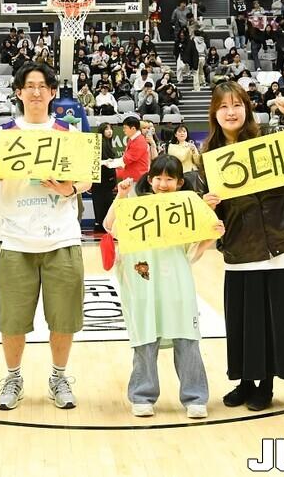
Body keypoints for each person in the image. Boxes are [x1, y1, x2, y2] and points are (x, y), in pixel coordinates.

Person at [0, 62, 91, 411]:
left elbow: (86, 179)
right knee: (12, 320)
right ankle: (13, 377)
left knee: (64, 318)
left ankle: (59, 377)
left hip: (62, 238)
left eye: (43, 86)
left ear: (53, 92)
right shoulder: (2, 135)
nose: (37, 91)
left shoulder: (69, 132)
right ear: (19, 92)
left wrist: (70, 188)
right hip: (16, 240)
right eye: (30, 86)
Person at [201, 81, 284, 412]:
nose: (231, 112)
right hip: (241, 247)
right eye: (223, 106)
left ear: (247, 108)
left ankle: (266, 384)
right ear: (214, 113)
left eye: (237, 104)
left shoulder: (270, 136)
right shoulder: (209, 155)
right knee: (244, 321)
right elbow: (207, 210)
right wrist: (206, 205)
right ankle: (246, 381)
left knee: (276, 319)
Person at [103, 155, 224, 419]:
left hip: (176, 282)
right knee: (145, 339)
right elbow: (110, 226)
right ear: (149, 180)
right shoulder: (136, 205)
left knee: (187, 339)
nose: (163, 183)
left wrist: (212, 229)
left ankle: (195, 397)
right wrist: (120, 195)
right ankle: (142, 395)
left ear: (180, 182)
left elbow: (195, 248)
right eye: (158, 178)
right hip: (143, 283)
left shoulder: (187, 209)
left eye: (170, 179)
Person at [91, 123, 118, 233]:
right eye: (107, 129)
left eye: (111, 129)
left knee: (105, 201)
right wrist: (105, 163)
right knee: (102, 202)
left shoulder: (108, 143)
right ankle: (101, 224)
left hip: (106, 179)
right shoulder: (100, 143)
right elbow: (95, 160)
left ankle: (102, 224)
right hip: (101, 179)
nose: (109, 131)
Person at [113, 116, 150, 182]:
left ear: (133, 128)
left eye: (125, 128)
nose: (123, 130)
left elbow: (126, 160)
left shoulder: (139, 141)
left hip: (137, 179)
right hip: (132, 177)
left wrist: (108, 163)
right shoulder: (133, 139)